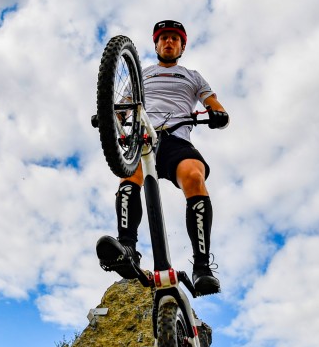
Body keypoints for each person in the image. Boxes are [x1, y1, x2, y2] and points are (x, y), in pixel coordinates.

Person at [96, 19, 230, 296]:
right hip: (144, 136)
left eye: (174, 39)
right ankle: (127, 248)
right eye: (163, 38)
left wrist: (218, 113)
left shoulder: (192, 76)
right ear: (156, 44)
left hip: (177, 138)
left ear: (182, 46)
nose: (169, 42)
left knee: (194, 176)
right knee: (129, 176)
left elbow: (213, 103)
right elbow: (121, 108)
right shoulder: (141, 74)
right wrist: (110, 118)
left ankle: (202, 266)